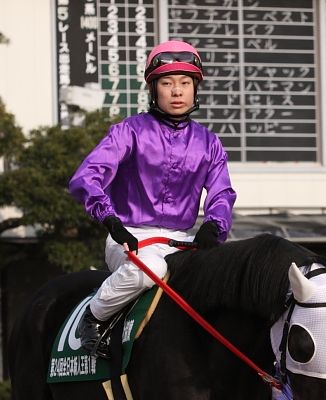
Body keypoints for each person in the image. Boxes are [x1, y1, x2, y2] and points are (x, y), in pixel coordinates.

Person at [69, 40, 237, 359]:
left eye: (185, 83)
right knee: (152, 266)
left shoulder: (209, 143)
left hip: (182, 242)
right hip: (132, 238)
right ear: (153, 89)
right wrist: (110, 219)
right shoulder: (128, 131)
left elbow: (222, 193)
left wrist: (215, 227)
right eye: (167, 83)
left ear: (195, 90)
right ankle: (93, 317)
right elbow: (87, 176)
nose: (177, 91)